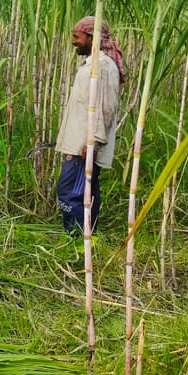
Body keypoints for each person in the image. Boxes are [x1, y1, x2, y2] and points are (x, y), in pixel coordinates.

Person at [54, 15, 125, 235]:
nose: (73, 41)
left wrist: (92, 142)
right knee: (86, 191)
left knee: (69, 192)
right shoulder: (95, 64)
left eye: (77, 37)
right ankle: (87, 235)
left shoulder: (102, 67)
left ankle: (76, 237)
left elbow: (105, 108)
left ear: (91, 37)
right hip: (81, 142)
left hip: (84, 146)